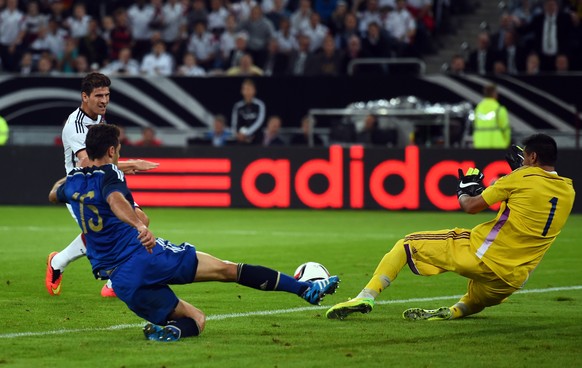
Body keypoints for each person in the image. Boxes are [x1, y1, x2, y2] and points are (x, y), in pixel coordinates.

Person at [48, 123, 340, 341]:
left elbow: (53, 193)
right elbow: (115, 200)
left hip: (122, 282)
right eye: (118, 150)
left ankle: (172, 331)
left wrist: (79, 173)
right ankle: (306, 289)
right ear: (112, 150)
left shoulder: (73, 183)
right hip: (145, 257)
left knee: (197, 319)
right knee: (229, 270)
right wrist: (138, 224)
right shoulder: (112, 175)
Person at [327, 133, 575, 321]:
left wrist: (463, 191)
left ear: (532, 157)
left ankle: (366, 297)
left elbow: (471, 206)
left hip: (482, 254)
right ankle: (454, 312)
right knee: (476, 298)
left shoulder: (519, 177)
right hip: (513, 278)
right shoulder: (568, 190)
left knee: (407, 244)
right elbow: (531, 198)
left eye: (526, 157)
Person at [46, 72, 158, 298]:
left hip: (107, 179)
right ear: (84, 97)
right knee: (108, 229)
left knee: (140, 220)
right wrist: (131, 164)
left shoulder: (99, 117)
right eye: (99, 95)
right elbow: (89, 164)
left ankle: (105, 279)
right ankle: (66, 265)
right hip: (83, 185)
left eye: (107, 95)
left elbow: (105, 160)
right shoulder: (76, 126)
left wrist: (121, 168)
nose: (104, 100)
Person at [472, 83, 510, 149]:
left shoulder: (477, 109)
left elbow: (474, 126)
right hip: (498, 146)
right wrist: (505, 143)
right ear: (495, 94)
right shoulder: (500, 109)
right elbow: (506, 129)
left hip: (480, 145)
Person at [230, 78, 266, 144]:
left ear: (254, 91)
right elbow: (234, 123)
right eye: (245, 89)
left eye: (249, 89)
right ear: (242, 91)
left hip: (256, 140)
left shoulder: (259, 105)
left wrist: (247, 133)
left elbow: (259, 121)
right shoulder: (238, 106)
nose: (247, 92)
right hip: (240, 139)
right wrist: (237, 134)